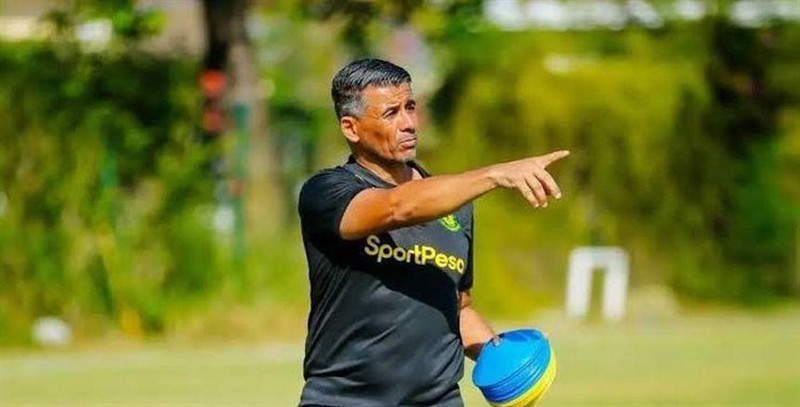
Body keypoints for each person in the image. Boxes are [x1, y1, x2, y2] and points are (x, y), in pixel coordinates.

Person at [298, 58, 569, 407]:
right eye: (391, 113)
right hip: (345, 399)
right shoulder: (327, 192)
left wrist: (498, 353)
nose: (409, 123)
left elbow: (458, 306)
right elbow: (398, 207)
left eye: (410, 107)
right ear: (351, 128)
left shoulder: (455, 205)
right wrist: (494, 174)